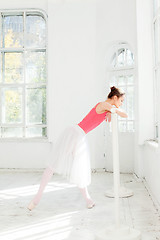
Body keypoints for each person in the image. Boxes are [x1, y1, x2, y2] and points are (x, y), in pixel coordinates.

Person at [28, 86, 127, 211]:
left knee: (79, 168)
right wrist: (113, 111)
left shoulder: (106, 107)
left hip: (79, 136)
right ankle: (37, 198)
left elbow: (107, 116)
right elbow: (124, 114)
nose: (121, 103)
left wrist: (110, 113)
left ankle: (88, 200)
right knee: (55, 164)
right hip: (75, 135)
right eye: (121, 101)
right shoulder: (104, 105)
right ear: (114, 97)